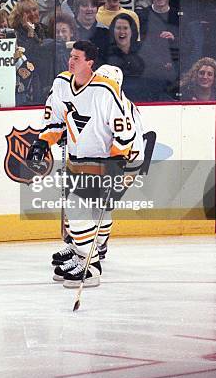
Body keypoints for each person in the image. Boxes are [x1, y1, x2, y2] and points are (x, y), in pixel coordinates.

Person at [26, 42, 139, 287]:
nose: (71, 60)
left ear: (90, 62)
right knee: (78, 213)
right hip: (76, 159)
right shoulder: (61, 84)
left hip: (101, 161)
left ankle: (91, 264)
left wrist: (117, 159)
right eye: (70, 56)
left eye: (77, 57)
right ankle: (83, 255)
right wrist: (43, 142)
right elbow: (55, 121)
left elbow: (125, 132)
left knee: (78, 210)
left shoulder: (106, 91)